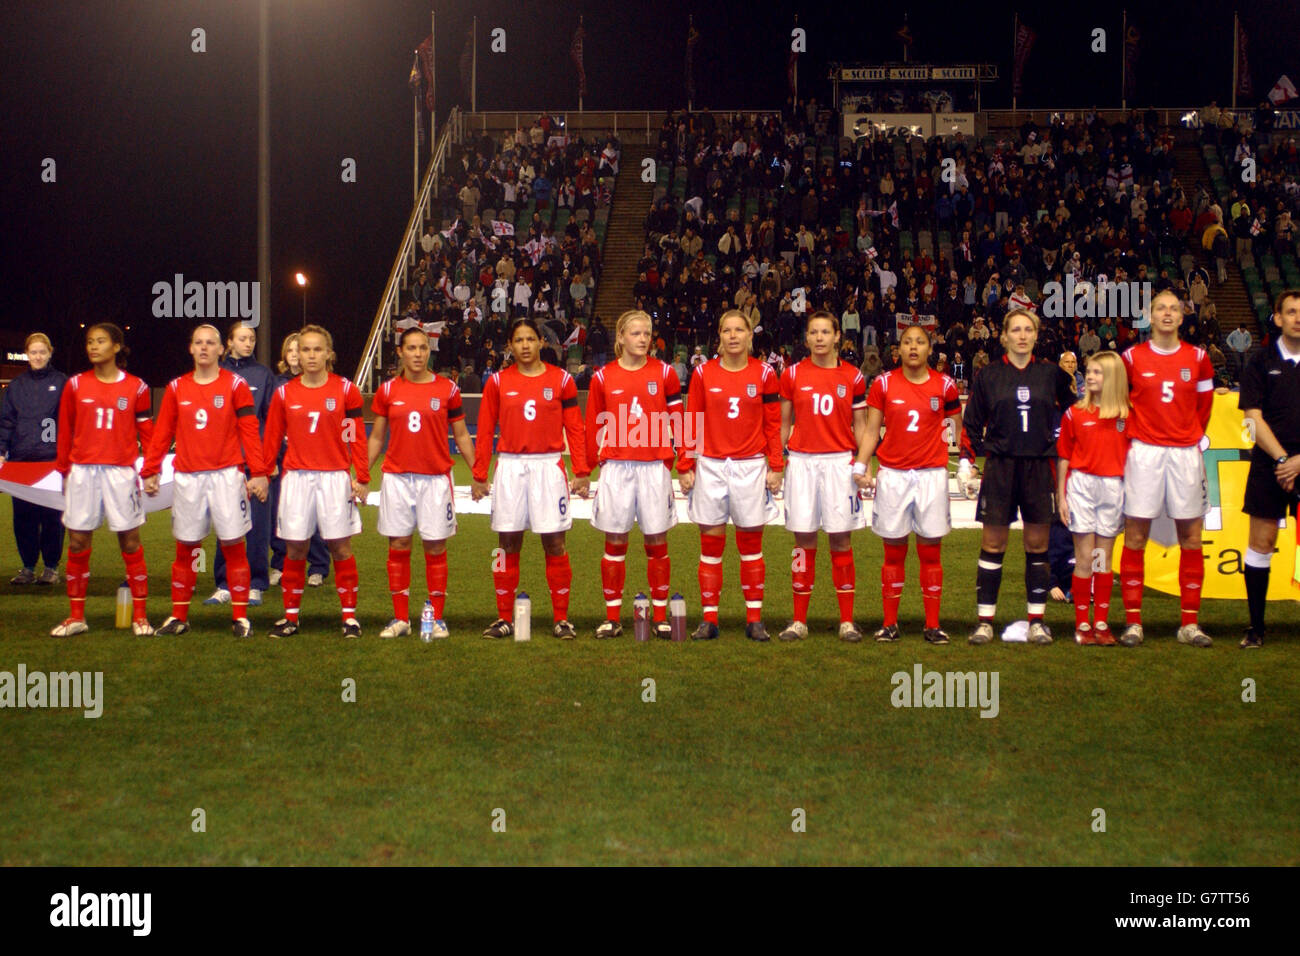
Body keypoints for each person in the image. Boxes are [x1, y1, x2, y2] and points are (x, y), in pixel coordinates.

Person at [958, 309, 1078, 645]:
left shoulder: (1052, 375)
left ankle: (1037, 621)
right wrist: (970, 460)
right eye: (1016, 329)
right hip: (1001, 467)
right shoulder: (989, 376)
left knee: (1037, 543)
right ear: (1005, 336)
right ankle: (984, 622)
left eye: (1028, 330)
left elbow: (1076, 415)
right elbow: (971, 423)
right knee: (993, 543)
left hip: (1040, 467)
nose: (1022, 335)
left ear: (1036, 335)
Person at [141, 325, 269, 637]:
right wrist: (151, 469)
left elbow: (250, 431)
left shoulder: (236, 385)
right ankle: (178, 617)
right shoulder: (176, 388)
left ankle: (240, 617)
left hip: (227, 475)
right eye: (198, 342)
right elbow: (162, 432)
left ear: (220, 350)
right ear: (190, 348)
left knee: (234, 545)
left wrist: (259, 472)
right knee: (185, 548)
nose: (204, 348)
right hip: (188, 476)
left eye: (210, 343)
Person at [471, 317, 591, 639]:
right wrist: (480, 474)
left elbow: (575, 429)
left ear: (541, 342)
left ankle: (562, 619)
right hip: (510, 466)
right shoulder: (497, 382)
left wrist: (581, 471)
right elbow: (484, 431)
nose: (524, 345)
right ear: (509, 345)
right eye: (518, 340)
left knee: (555, 542)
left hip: (548, 467)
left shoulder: (562, 380)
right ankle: (502, 618)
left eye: (530, 339)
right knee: (505, 545)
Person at [678, 309, 783, 641]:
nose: (734, 336)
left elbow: (773, 424)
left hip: (751, 466)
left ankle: (754, 619)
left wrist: (776, 465)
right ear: (719, 337)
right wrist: (686, 464)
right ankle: (709, 619)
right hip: (710, 465)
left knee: (750, 545)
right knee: (710, 545)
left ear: (750, 336)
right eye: (727, 330)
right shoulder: (702, 374)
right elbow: (690, 420)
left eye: (740, 330)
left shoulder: (765, 374)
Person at [1118, 289, 1215, 647]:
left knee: (1190, 538)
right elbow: (1119, 402)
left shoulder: (1200, 357)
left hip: (1185, 453)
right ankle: (1133, 624)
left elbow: (1205, 407)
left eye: (1174, 308)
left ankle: (1189, 624)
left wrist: (1189, 435)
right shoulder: (1130, 357)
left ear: (1184, 315)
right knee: (1135, 537)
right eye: (1161, 308)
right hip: (1144, 453)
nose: (1168, 314)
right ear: (1150, 315)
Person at [854, 324, 962, 644]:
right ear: (897, 349)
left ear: (931, 349)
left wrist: (965, 459)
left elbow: (957, 426)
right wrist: (862, 464)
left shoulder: (945, 385)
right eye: (906, 342)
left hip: (931, 475)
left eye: (920, 342)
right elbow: (872, 430)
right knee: (894, 553)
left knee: (931, 552)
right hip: (894, 475)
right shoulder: (883, 384)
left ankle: (932, 625)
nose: (913, 347)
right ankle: (890, 624)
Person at [260, 325, 370, 638]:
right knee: (295, 548)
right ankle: (291, 618)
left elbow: (355, 436)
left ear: (329, 354)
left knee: (340, 546)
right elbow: (270, 438)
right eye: (305, 349)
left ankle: (349, 618)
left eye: (317, 349)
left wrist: (360, 476)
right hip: (296, 478)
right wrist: (264, 471)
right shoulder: (284, 392)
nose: (311, 355)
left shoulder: (345, 390)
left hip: (335, 477)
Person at [368, 328, 476, 639]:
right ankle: (400, 619)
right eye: (411, 348)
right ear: (400, 352)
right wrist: (362, 473)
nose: (418, 354)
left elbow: (461, 435)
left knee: (435, 545)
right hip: (397, 478)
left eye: (423, 348)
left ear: (429, 352)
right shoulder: (387, 390)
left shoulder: (447, 389)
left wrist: (478, 471)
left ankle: (437, 619)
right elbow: (376, 437)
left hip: (435, 480)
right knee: (398, 544)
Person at [585, 310, 684, 639]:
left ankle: (659, 616)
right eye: (636, 333)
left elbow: (679, 422)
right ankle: (612, 618)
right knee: (614, 542)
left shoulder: (666, 373)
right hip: (617, 468)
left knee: (657, 541)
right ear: (621, 337)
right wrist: (590, 466)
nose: (643, 339)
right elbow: (593, 424)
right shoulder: (603, 377)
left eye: (647, 333)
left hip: (654, 467)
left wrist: (680, 462)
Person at [50, 323, 155, 637]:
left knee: (131, 542)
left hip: (121, 473)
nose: (93, 347)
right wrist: (65, 470)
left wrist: (150, 470)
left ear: (117, 347)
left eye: (100, 341)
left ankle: (140, 617)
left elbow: (147, 433)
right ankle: (76, 617)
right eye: (89, 342)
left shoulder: (136, 387)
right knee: (79, 542)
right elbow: (65, 431)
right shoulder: (75, 385)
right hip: (83, 472)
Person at [775, 310, 869, 642]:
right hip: (801, 462)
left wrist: (864, 462)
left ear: (837, 337)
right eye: (813, 332)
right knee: (803, 541)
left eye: (825, 332)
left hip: (840, 463)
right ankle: (799, 621)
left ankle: (847, 621)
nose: (819, 338)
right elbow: (783, 424)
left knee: (841, 540)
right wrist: (776, 462)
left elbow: (861, 426)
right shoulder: (792, 374)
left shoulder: (854, 377)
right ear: (806, 339)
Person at [1237, 290, 1300, 648]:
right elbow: (1252, 419)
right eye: (1290, 311)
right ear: (1277, 317)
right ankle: (1256, 628)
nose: (1297, 317)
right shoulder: (1259, 362)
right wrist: (1282, 461)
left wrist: (1298, 462)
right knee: (1261, 543)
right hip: (1269, 466)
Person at [1056, 351, 1131, 645]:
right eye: (1089, 371)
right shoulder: (1074, 413)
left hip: (1114, 487)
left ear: (1112, 377)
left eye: (1097, 372)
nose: (1089, 376)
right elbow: (1063, 456)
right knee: (1085, 557)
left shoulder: (1126, 414)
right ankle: (1082, 625)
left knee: (1103, 558)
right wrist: (1061, 497)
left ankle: (1101, 622)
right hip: (1081, 486)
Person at [203, 322, 276, 607]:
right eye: (243, 338)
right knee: (226, 525)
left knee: (257, 526)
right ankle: (225, 584)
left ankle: (256, 583)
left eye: (252, 339)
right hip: (223, 462)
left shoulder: (263, 374)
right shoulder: (215, 374)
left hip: (255, 463)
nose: (249, 343)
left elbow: (271, 422)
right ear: (228, 343)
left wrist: (270, 462)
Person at [0, 332, 66, 585]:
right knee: (23, 518)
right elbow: (6, 422)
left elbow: (70, 422)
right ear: (27, 354)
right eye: (33, 352)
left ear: (50, 353)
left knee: (52, 518)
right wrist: (2, 451)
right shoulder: (16, 386)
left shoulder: (62, 382)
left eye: (42, 352)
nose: (37, 356)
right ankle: (28, 567)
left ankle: (51, 567)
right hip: (21, 463)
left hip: (51, 462)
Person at [266, 332, 330, 590]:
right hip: (283, 459)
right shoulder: (277, 384)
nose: (295, 355)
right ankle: (280, 563)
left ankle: (318, 566)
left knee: (313, 515)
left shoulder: (316, 383)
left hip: (311, 458)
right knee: (281, 515)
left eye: (298, 350)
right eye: (290, 350)